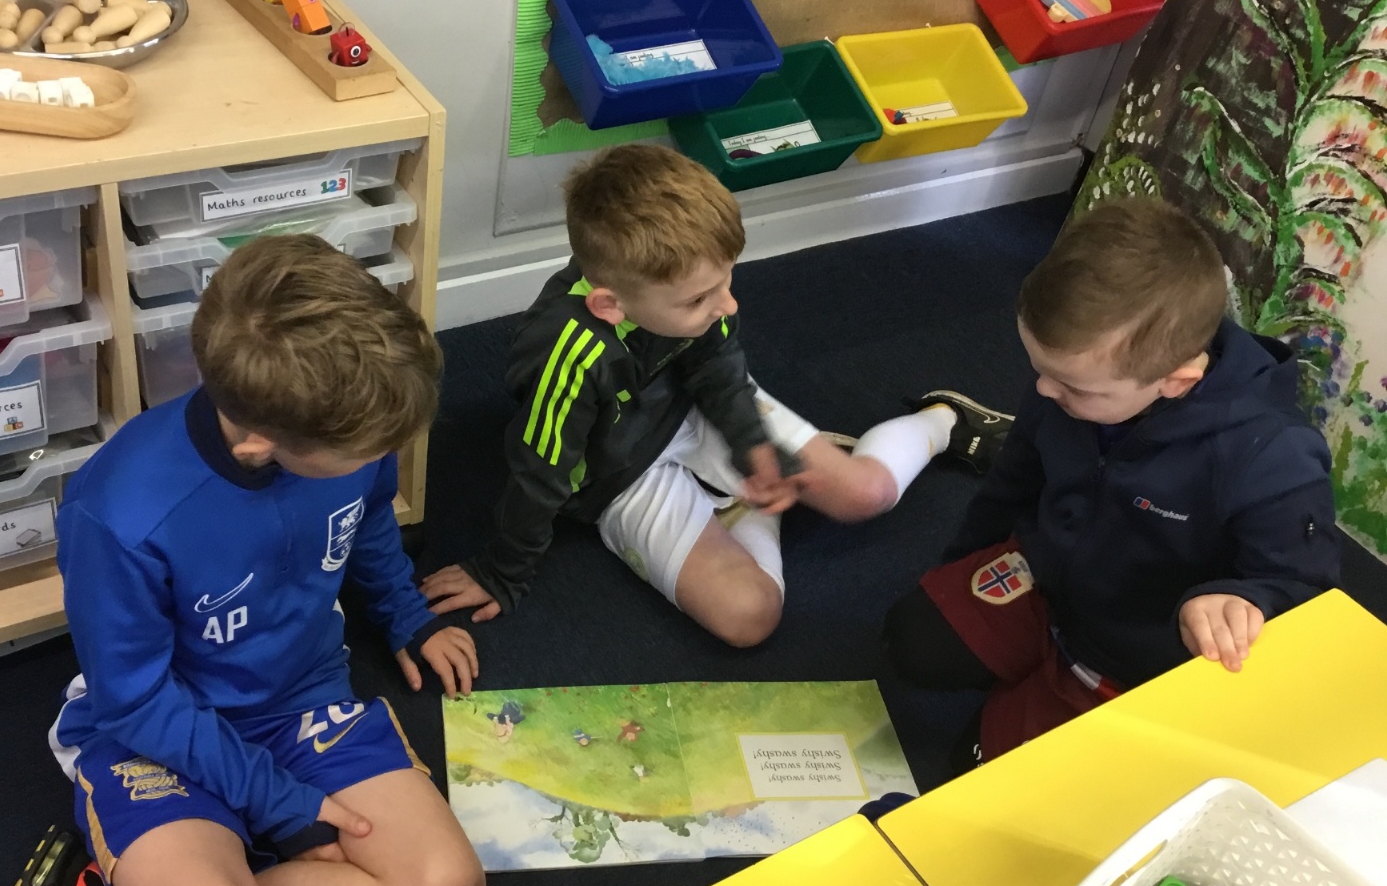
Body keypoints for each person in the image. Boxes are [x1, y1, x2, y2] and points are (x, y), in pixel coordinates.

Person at [0, 236, 609, 886]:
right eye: (367, 451)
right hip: (161, 730)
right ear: (259, 444)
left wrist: (405, 612)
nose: (383, 455)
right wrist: (281, 806)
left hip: (302, 705)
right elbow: (137, 702)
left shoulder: (347, 425)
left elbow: (367, 518)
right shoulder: (118, 513)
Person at [420, 145, 1008, 648]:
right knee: (750, 618)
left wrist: (751, 446)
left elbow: (719, 366)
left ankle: (945, 421)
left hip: (697, 409)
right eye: (701, 299)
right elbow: (539, 472)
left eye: (727, 279)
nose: (727, 304)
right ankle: (745, 505)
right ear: (610, 305)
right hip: (619, 478)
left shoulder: (694, 287)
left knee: (867, 494)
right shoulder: (569, 355)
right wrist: (502, 572)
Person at [882, 201, 1339, 774]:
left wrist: (1245, 600)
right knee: (914, 641)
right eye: (1038, 369)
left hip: (1136, 646)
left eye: (1072, 386)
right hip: (1049, 572)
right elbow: (1012, 484)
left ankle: (1061, 687)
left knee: (972, 777)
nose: (1043, 391)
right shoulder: (1069, 385)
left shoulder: (1272, 457)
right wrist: (960, 565)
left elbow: (1305, 587)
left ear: (1177, 382)